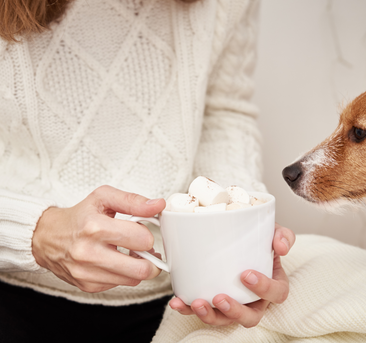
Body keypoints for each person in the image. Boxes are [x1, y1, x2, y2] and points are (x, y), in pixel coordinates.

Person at [0, 0, 295, 342]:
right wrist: (33, 232)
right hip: (13, 290)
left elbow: (223, 109)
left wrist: (238, 235)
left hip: (178, 303)